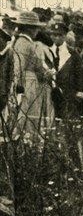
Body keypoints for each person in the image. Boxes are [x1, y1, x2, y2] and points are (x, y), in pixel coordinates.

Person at [5, 11, 55, 139]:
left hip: (32, 82)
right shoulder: (23, 43)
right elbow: (18, 68)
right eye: (35, 27)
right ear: (29, 28)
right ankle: (26, 141)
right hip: (27, 84)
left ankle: (29, 140)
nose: (37, 30)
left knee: (32, 116)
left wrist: (45, 73)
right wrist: (19, 90)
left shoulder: (27, 42)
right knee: (27, 116)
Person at [49, 23, 83, 119]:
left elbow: (79, 73)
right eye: (54, 34)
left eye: (60, 35)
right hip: (49, 94)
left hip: (68, 94)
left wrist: (79, 92)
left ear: (65, 36)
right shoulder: (46, 51)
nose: (57, 38)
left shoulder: (73, 53)